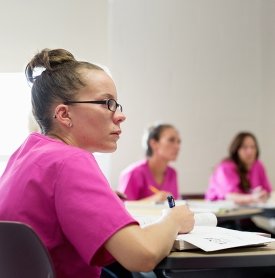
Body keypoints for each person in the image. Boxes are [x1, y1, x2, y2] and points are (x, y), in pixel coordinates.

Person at [0, 48, 194, 278]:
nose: (120, 115)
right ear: (64, 115)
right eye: (107, 103)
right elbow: (143, 255)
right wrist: (172, 220)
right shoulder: (70, 161)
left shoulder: (26, 153)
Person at [118, 124, 181, 202]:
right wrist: (152, 200)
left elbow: (173, 204)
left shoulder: (172, 173)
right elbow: (122, 207)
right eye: (171, 140)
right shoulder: (134, 173)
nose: (177, 146)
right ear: (154, 143)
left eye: (179, 142)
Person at [205, 132, 272, 205]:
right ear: (236, 150)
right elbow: (230, 196)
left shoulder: (258, 165)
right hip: (222, 210)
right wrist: (253, 197)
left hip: (250, 209)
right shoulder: (225, 167)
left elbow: (267, 190)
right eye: (244, 147)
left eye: (253, 147)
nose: (250, 151)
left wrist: (263, 194)